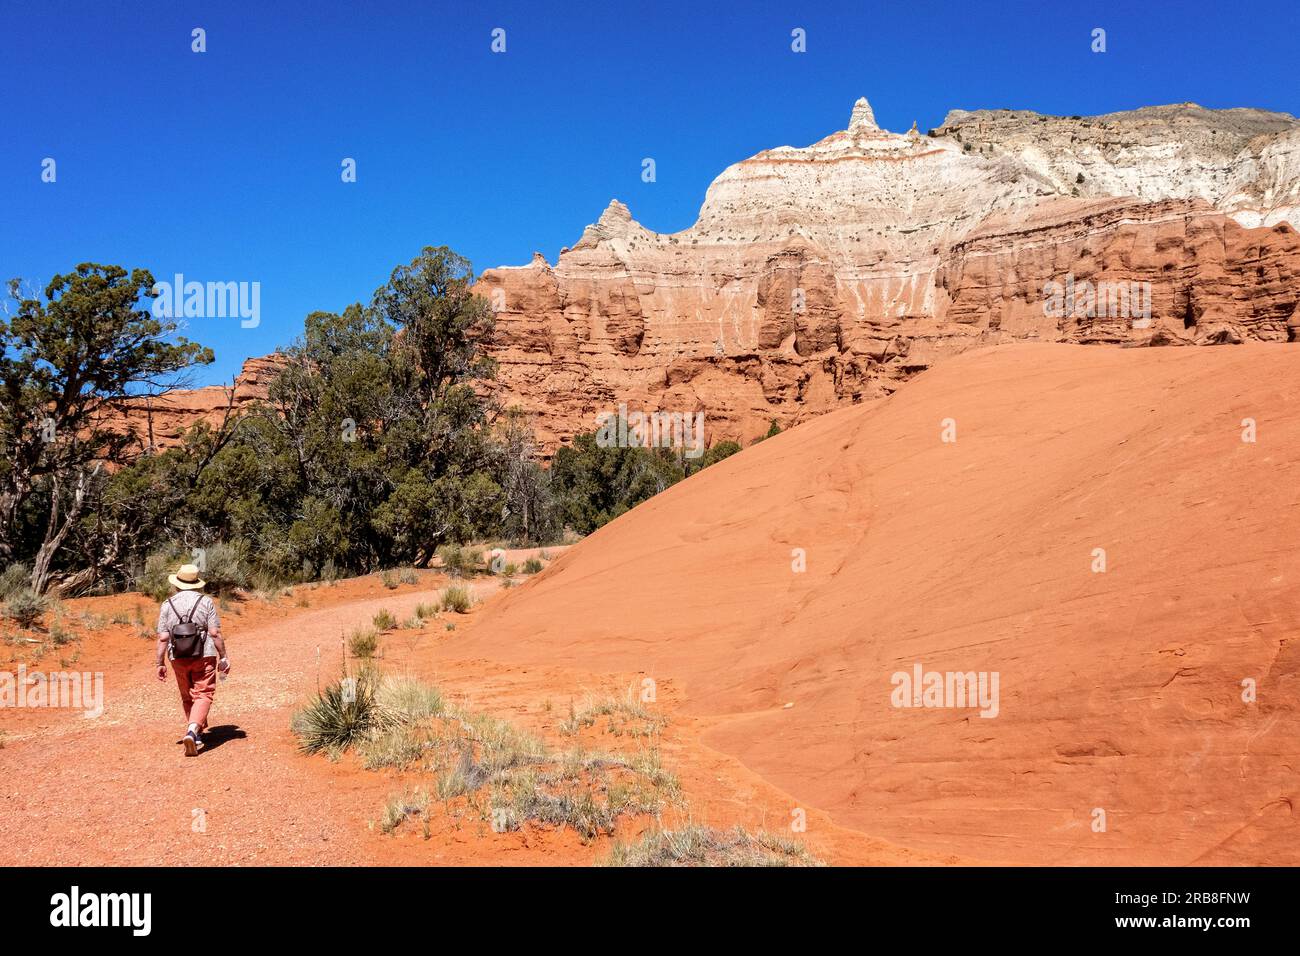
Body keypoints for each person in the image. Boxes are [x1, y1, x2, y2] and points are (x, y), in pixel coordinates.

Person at [154, 563, 230, 756]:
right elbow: (214, 632)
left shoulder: (167, 605)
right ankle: (193, 730)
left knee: (187, 695)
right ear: (196, 583)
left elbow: (163, 637)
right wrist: (224, 656)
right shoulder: (206, 602)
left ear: (177, 583)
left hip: (177, 656)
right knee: (204, 693)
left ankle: (196, 734)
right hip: (203, 653)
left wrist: (160, 663)